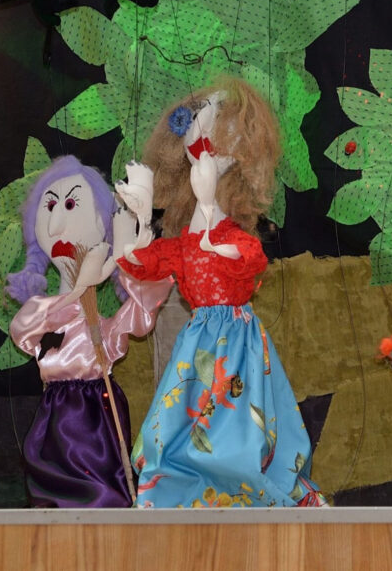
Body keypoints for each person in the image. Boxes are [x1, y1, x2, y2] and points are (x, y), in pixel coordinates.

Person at [115, 78, 326, 507]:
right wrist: (137, 224)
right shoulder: (185, 243)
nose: (203, 163)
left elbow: (250, 261)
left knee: (236, 425)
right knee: (178, 422)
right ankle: (186, 489)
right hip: (198, 341)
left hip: (237, 341)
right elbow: (144, 262)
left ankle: (235, 482)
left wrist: (212, 224)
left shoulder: (229, 234)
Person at [6, 155, 172, 507]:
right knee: (50, 495)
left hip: (98, 419)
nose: (56, 225)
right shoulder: (40, 313)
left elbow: (142, 308)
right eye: (50, 208)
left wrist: (129, 250)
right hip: (53, 420)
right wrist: (80, 288)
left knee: (103, 492)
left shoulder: (100, 326)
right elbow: (23, 329)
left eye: (71, 205)